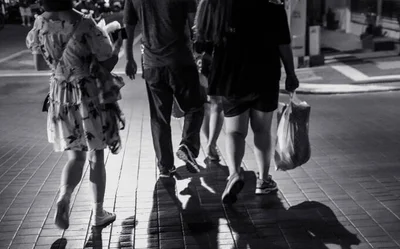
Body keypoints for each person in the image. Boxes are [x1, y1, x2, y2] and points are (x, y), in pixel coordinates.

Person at [26, 0, 125, 230]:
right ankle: (99, 212)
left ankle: (64, 197)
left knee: (75, 157)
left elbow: (40, 65)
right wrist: (118, 45)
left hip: (60, 96)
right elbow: (107, 63)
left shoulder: (40, 24)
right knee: (95, 156)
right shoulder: (85, 23)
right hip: (88, 95)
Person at [194, 0, 299, 204]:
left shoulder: (218, 6)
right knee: (261, 130)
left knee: (234, 132)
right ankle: (263, 180)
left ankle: (234, 173)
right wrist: (291, 73)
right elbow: (283, 44)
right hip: (264, 75)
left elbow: (202, 43)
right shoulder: (272, 6)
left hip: (230, 76)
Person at [123, 0, 205, 178]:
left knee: (159, 117)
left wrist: (129, 57)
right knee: (195, 106)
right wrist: (200, 51)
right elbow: (194, 24)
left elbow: (128, 27)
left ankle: (165, 166)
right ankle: (188, 145)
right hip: (181, 61)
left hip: (152, 65)